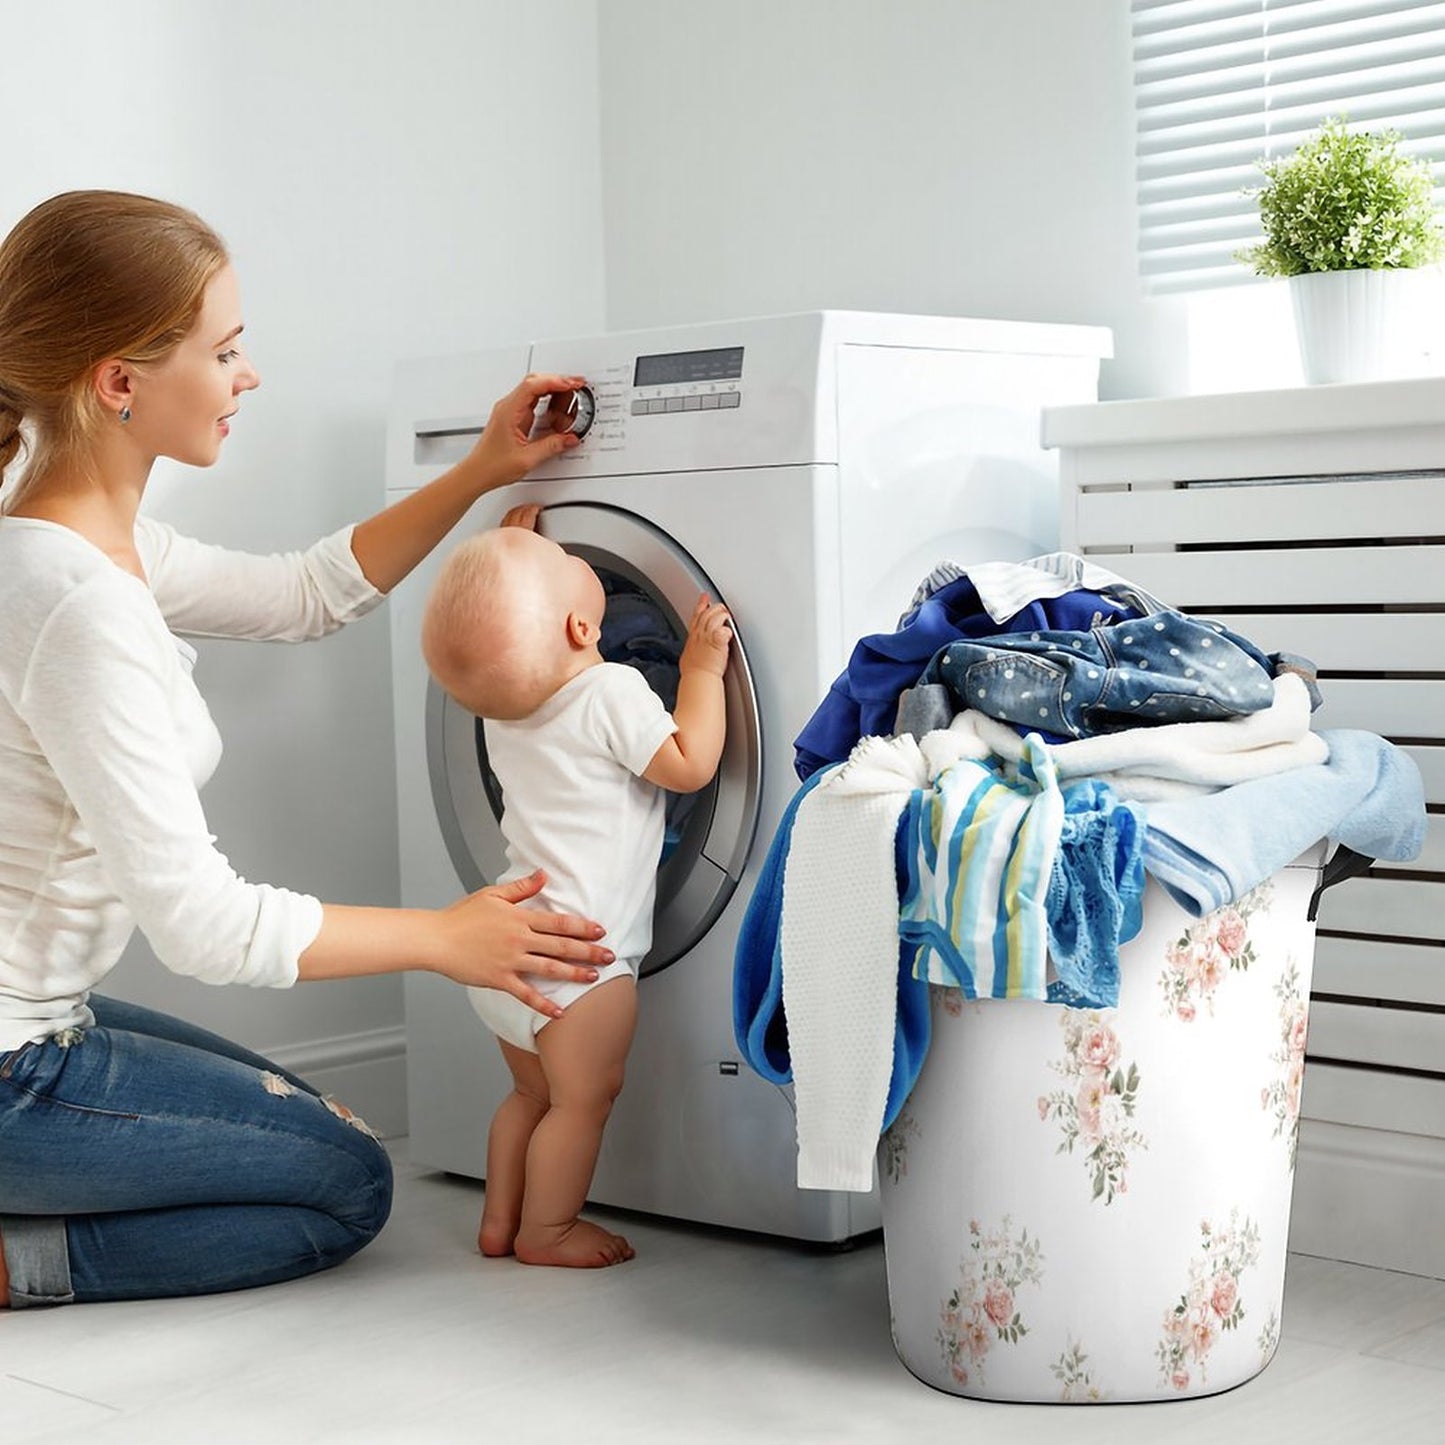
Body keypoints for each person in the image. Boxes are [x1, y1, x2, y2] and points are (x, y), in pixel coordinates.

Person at [0, 189, 617, 1309]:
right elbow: (203, 922)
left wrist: (484, 467)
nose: (251, 376)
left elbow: (305, 593)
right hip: (13, 1067)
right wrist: (445, 936)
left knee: (307, 1121)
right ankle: (18, 1257)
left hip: (37, 1018)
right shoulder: (76, 602)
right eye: (225, 350)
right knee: (343, 1182)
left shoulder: (77, 538)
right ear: (119, 381)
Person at [421, 519, 731, 1267]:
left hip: (510, 945)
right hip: (582, 963)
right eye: (565, 558)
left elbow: (503, 643)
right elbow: (687, 764)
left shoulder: (502, 709)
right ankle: (547, 1229)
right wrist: (697, 672)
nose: (571, 552)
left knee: (528, 1098)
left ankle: (498, 1220)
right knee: (582, 1103)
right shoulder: (612, 689)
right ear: (583, 625)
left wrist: (511, 558)